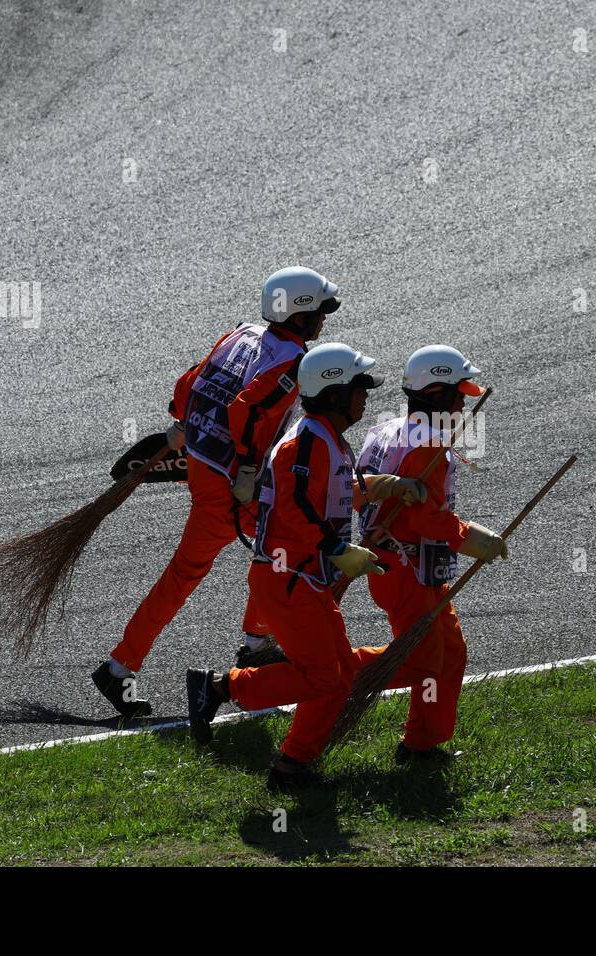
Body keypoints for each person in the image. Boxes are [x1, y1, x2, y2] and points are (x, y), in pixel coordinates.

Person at [91, 267, 339, 719]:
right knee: (263, 554)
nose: (324, 321)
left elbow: (190, 382)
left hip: (204, 465)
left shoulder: (240, 333)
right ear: (302, 317)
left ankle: (134, 662)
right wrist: (246, 469)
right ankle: (243, 646)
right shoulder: (293, 361)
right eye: (320, 312)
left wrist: (182, 421)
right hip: (231, 481)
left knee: (258, 550)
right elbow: (247, 410)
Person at [186, 343, 423, 790]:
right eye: (358, 388)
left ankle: (291, 767)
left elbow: (334, 495)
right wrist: (336, 547)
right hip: (287, 579)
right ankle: (221, 689)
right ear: (335, 393)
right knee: (324, 677)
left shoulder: (328, 440)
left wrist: (386, 487)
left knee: (338, 678)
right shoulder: (306, 441)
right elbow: (294, 507)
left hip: (305, 580)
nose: (365, 396)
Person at [351, 345, 507, 763]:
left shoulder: (387, 429)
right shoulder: (428, 446)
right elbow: (425, 521)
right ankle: (289, 678)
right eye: (458, 394)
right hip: (405, 568)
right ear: (436, 392)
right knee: (421, 660)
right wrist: (474, 539)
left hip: (407, 564)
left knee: (449, 653)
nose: (462, 403)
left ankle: (422, 744)